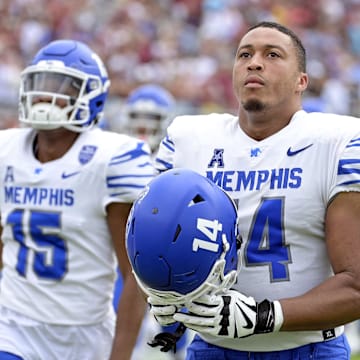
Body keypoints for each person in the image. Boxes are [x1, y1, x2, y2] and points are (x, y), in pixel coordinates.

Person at [147, 21, 360, 359]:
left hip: (306, 349)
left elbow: (356, 286)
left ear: (301, 81)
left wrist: (264, 316)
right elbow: (151, 240)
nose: (254, 62)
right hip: (213, 347)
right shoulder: (190, 139)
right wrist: (165, 292)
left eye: (272, 54)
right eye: (244, 54)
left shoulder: (338, 142)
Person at [0, 39, 154, 360]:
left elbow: (136, 276)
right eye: (40, 84)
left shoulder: (110, 158)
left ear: (91, 95)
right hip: (12, 327)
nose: (45, 95)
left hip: (83, 335)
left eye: (60, 86)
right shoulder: (7, 150)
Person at [109, 84, 190, 360]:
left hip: (168, 262)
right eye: (137, 118)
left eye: (152, 119)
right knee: (119, 328)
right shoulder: (114, 160)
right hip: (123, 259)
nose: (143, 126)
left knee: (176, 331)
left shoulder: (178, 162)